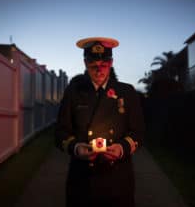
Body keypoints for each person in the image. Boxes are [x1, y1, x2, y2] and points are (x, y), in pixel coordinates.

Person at [54, 37, 145, 207]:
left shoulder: (127, 92)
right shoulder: (73, 92)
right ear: (85, 63)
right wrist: (76, 148)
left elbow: (139, 132)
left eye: (103, 65)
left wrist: (122, 148)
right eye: (93, 65)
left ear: (111, 63)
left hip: (118, 179)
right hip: (81, 178)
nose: (98, 70)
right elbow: (60, 132)